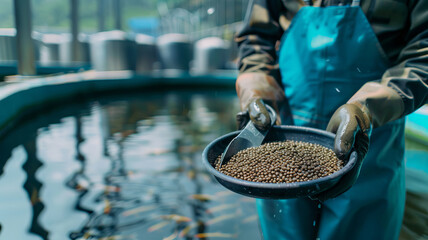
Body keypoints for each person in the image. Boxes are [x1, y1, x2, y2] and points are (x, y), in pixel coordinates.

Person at [234, 0, 428, 239]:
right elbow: (256, 37)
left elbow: (423, 53)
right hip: (282, 135)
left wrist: (367, 108)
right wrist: (257, 88)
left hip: (373, 142)